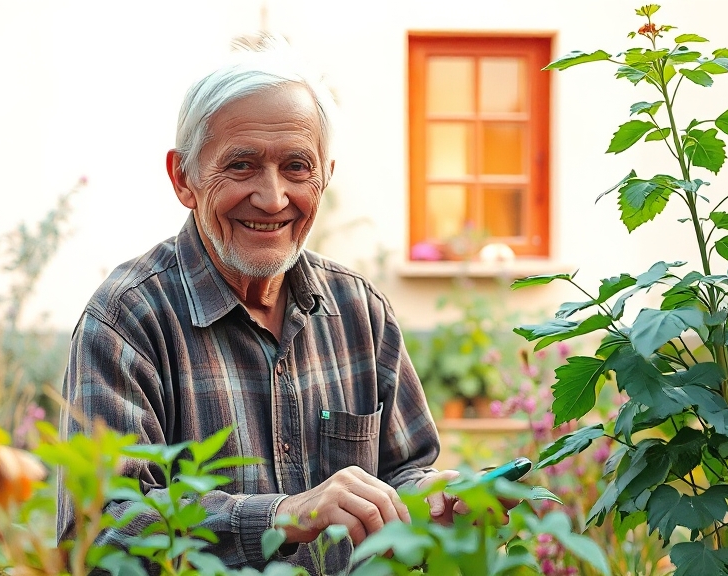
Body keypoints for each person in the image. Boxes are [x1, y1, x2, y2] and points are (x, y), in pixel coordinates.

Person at [58, 38, 470, 573]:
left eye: (297, 167)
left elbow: (404, 472)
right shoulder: (126, 321)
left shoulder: (358, 311)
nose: (273, 198)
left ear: (326, 175)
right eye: (242, 165)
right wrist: (280, 517)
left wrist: (435, 498)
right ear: (184, 178)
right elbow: (102, 532)